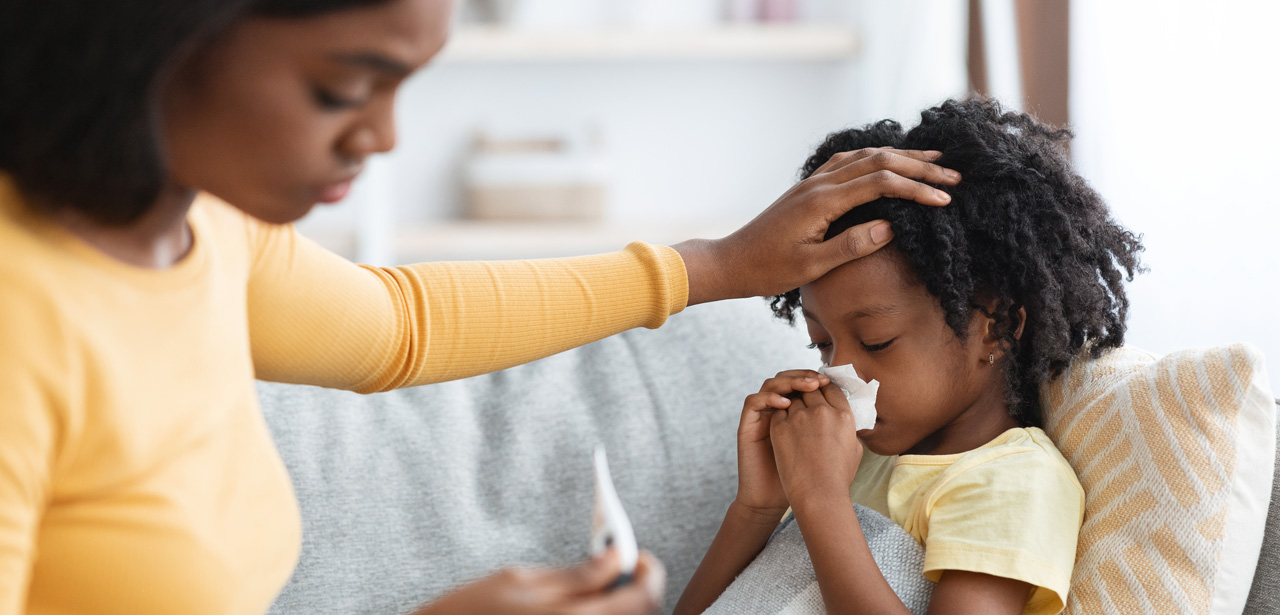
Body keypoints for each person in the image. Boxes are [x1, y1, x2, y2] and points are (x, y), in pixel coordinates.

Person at [0, 1, 963, 614]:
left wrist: (717, 263)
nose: (381, 135)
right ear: (155, 36)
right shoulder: (25, 317)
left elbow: (398, 326)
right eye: (342, 87)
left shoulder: (199, 226)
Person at [674, 98, 1145, 615]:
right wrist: (759, 506)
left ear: (999, 326)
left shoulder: (1012, 481)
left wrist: (820, 500)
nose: (841, 371)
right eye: (821, 343)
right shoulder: (860, 462)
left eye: (876, 341)